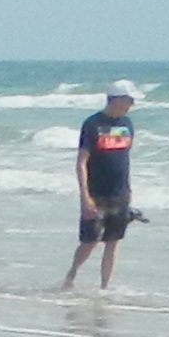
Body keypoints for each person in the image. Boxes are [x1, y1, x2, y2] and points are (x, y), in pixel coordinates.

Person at [63, 81, 140, 288]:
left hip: (120, 192)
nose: (131, 104)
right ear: (116, 99)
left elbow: (124, 159)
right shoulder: (93, 124)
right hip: (96, 193)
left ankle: (104, 287)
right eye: (129, 99)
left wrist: (129, 189)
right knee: (90, 241)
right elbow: (81, 162)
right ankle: (72, 274)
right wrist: (85, 197)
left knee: (113, 242)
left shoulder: (127, 124)